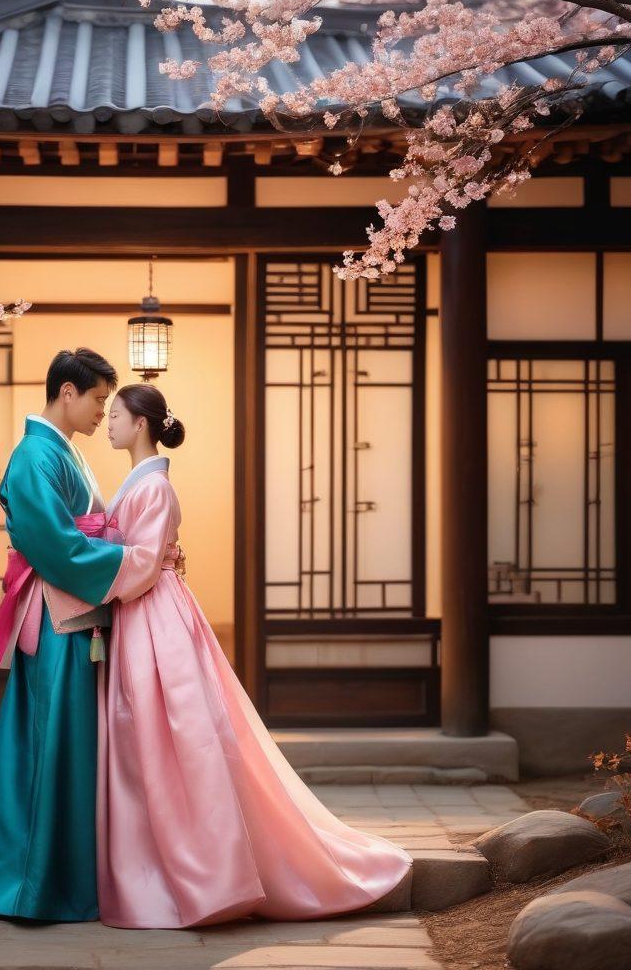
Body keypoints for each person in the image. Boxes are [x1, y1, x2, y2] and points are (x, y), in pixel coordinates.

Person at [96, 382, 414, 930]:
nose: (109, 423)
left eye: (116, 415)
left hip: (153, 614)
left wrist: (93, 573)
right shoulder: (143, 481)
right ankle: (172, 866)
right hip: (148, 614)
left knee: (175, 738)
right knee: (152, 740)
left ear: (141, 424)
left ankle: (204, 870)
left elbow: (144, 562)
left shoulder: (152, 487)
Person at [0, 348, 127, 922]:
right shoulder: (36, 454)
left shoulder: (61, 453)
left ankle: (52, 879)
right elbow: (56, 542)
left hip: (72, 609)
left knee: (64, 744)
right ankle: (28, 885)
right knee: (50, 740)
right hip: (59, 613)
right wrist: (126, 560)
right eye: (99, 398)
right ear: (67, 393)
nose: (104, 410)